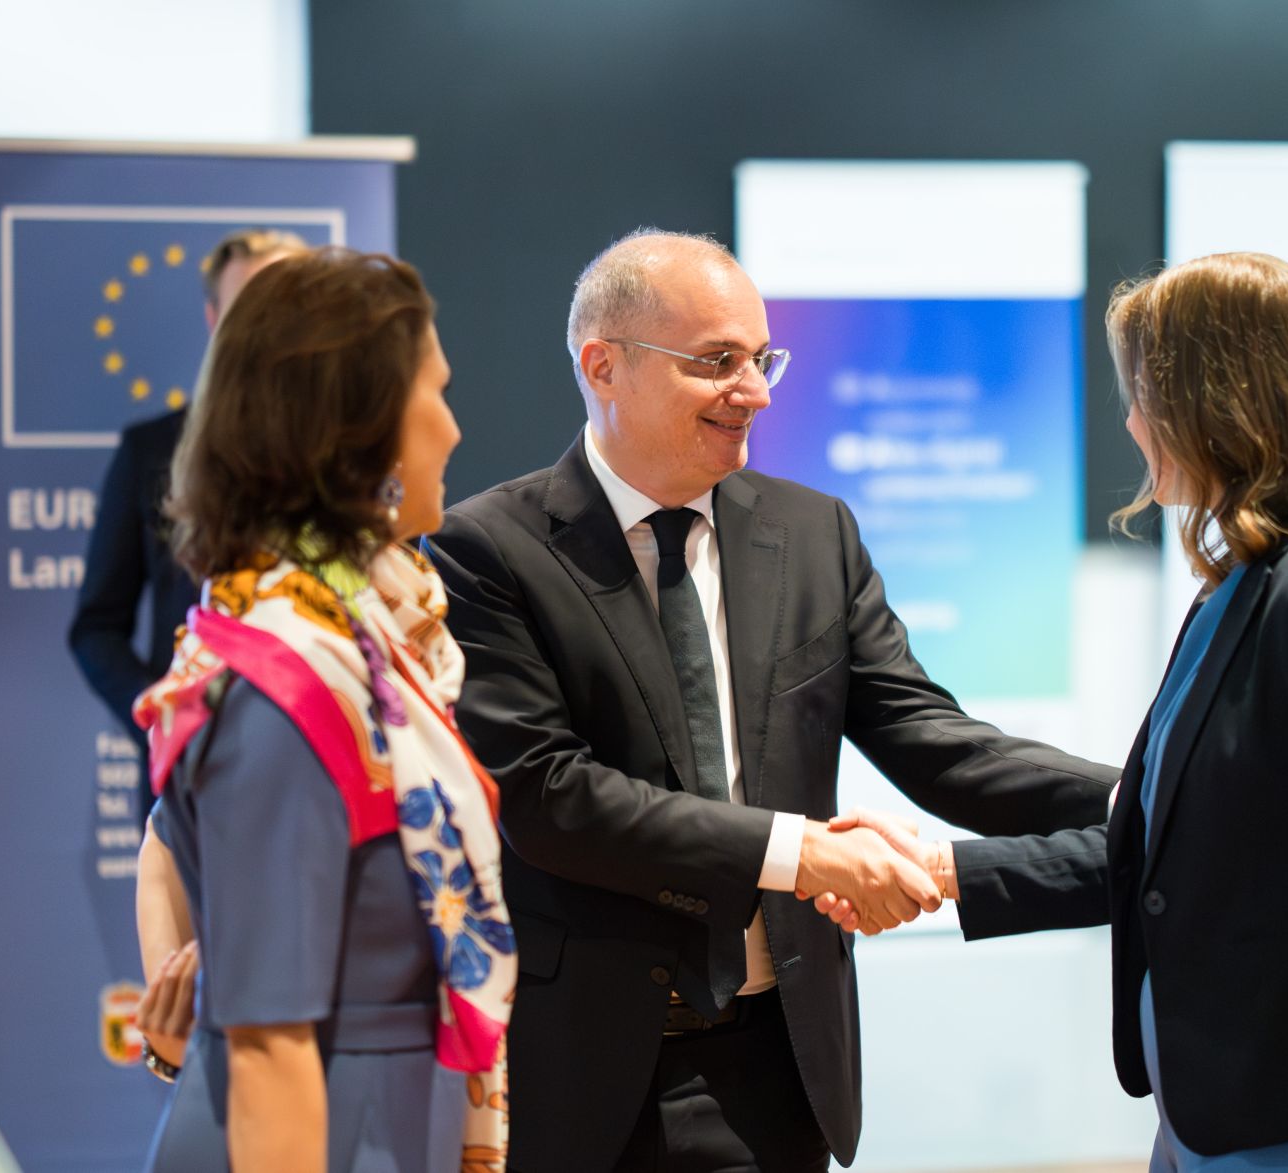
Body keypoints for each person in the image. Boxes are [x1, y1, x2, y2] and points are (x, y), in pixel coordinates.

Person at [426, 228, 1119, 1172]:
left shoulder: (812, 531)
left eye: (761, 359)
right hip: (586, 1070)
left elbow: (931, 737)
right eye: (716, 362)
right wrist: (802, 856)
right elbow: (550, 797)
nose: (752, 390)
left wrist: (1142, 795)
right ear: (605, 366)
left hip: (778, 1061)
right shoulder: (488, 548)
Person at [823, 253, 1288, 1171]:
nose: (1129, 421)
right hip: (1214, 1114)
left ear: (1224, 400)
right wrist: (943, 867)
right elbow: (1174, 849)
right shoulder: (1241, 587)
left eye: (1144, 394)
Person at [131, 247, 515, 1172]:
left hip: (381, 1116)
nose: (454, 429)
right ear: (361, 427)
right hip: (313, 1128)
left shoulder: (357, 635)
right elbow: (268, 1043)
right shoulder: (291, 672)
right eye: (436, 392)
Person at [69, 228, 306, 816]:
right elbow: (97, 626)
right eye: (248, 307)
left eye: (286, 306)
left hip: (322, 767)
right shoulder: (153, 451)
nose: (267, 326)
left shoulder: (353, 452)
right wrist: (162, 714)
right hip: (187, 780)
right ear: (213, 318)